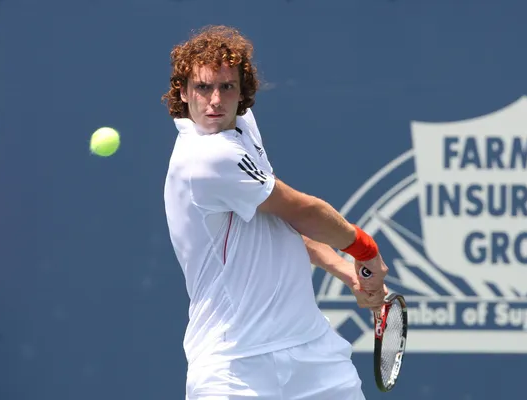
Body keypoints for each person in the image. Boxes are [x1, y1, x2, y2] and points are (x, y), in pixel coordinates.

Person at [162, 25, 389, 400]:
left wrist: (342, 269)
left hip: (312, 352)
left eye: (227, 87)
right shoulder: (206, 158)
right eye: (202, 88)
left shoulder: (241, 129)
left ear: (242, 93)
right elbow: (301, 209)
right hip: (235, 367)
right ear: (184, 93)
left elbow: (275, 224)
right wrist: (366, 252)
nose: (215, 100)